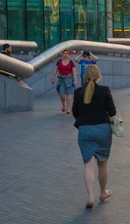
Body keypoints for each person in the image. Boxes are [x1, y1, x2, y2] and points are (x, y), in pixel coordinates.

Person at [72, 65, 116, 209]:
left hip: (85, 131)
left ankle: (90, 196)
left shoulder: (78, 92)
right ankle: (103, 193)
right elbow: (112, 111)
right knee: (102, 163)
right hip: (103, 130)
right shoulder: (104, 91)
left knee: (88, 164)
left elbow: (75, 112)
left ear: (85, 76)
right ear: (98, 75)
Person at [52, 49, 77, 114]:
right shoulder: (59, 62)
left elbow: (74, 72)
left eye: (66, 53)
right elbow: (55, 70)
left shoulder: (71, 62)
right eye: (64, 53)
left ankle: (68, 108)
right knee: (62, 94)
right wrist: (53, 78)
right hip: (61, 79)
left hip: (69, 79)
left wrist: (75, 80)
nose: (65, 54)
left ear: (69, 55)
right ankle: (63, 104)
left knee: (68, 94)